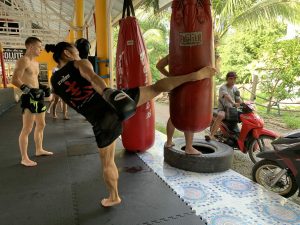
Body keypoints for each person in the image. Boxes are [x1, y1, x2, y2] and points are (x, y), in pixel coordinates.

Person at [45, 41, 215, 207]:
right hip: (112, 101)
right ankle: (194, 76)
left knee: (107, 163)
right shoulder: (79, 62)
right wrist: (107, 92)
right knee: (155, 88)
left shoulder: (54, 81)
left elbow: (70, 101)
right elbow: (92, 77)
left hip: (100, 121)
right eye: (74, 50)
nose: (77, 53)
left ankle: (114, 197)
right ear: (66, 53)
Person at [12, 36, 53, 167]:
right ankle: (24, 158)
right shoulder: (23, 61)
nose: (41, 50)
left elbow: (34, 80)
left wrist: (42, 87)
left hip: (38, 96)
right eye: (39, 47)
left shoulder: (35, 63)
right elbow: (15, 80)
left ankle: (39, 149)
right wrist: (27, 90)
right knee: (27, 128)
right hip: (29, 97)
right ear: (30, 46)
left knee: (41, 124)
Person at [156, 55, 202, 155]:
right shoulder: (192, 50)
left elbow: (159, 65)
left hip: (175, 86)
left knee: (174, 115)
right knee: (189, 115)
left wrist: (170, 77)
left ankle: (169, 141)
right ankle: (189, 147)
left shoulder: (174, 51)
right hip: (189, 87)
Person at [206, 71, 241, 140]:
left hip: (232, 110)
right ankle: (211, 135)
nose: (233, 80)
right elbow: (226, 96)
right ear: (227, 79)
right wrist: (233, 103)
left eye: (234, 79)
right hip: (223, 109)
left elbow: (238, 100)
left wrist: (242, 104)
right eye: (231, 78)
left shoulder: (235, 89)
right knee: (221, 115)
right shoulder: (223, 87)